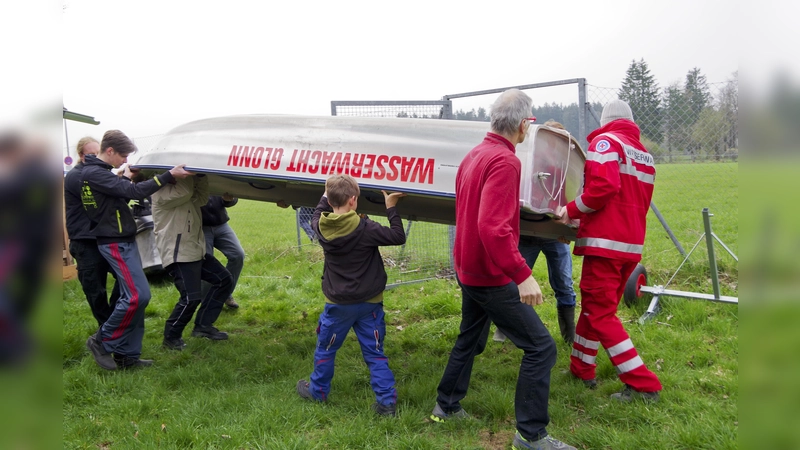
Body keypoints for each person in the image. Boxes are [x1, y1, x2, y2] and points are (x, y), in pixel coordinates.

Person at [431, 89, 575, 450]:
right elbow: (493, 227)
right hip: (489, 275)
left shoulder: (475, 155)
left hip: (467, 268)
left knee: (471, 337)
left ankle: (446, 406)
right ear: (525, 124)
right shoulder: (505, 162)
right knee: (541, 348)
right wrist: (522, 275)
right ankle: (531, 435)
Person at [555, 99, 663, 402]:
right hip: (629, 245)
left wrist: (572, 210)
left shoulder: (605, 142)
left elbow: (604, 187)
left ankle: (643, 383)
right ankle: (581, 368)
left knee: (600, 313)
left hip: (605, 244)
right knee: (595, 308)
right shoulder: (645, 154)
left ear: (604, 121)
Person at [296, 175, 407, 417]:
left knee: (326, 349)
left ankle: (318, 391)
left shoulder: (320, 226)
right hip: (370, 304)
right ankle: (387, 404)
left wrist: (327, 192)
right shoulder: (367, 228)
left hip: (337, 305)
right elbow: (399, 236)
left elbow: (317, 211)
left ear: (330, 199)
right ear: (354, 200)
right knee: (375, 353)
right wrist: (391, 208)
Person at [81, 129, 192, 370]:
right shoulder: (93, 173)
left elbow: (117, 191)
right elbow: (130, 192)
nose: (125, 161)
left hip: (123, 239)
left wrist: (127, 176)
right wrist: (167, 175)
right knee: (137, 296)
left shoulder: (101, 173)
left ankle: (127, 355)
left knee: (135, 299)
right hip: (114, 242)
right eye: (123, 156)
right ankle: (101, 340)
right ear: (109, 151)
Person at [494, 120, 577, 346]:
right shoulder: (524, 164)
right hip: (527, 234)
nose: (554, 147)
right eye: (551, 142)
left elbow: (570, 204)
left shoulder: (566, 171)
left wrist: (567, 233)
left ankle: (570, 336)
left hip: (554, 237)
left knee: (564, 284)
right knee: (515, 280)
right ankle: (507, 327)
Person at [153, 175, 234, 350]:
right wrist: (189, 173)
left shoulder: (184, 194)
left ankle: (203, 326)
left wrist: (202, 176)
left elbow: (202, 198)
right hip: (178, 252)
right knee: (190, 298)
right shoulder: (160, 193)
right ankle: (171, 337)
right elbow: (185, 191)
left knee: (223, 280)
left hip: (195, 249)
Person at [64, 136, 120, 327]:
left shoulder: (98, 173)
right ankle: (107, 332)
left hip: (104, 238)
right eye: (91, 154)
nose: (97, 157)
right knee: (96, 291)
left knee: (126, 278)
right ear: (81, 155)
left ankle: (112, 320)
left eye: (99, 153)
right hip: (85, 241)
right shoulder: (76, 176)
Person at [201, 195, 245, 309]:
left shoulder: (218, 178)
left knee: (238, 255)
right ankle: (207, 302)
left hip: (221, 224)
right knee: (207, 263)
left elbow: (232, 198)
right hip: (200, 226)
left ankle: (224, 294)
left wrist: (229, 199)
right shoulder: (193, 177)